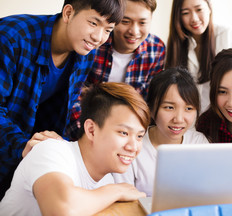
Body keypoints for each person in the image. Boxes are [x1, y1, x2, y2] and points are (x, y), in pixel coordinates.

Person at [0, 0, 124, 199]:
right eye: (94, 23)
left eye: (108, 29)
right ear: (68, 13)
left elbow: (65, 109)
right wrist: (22, 145)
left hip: (27, 161)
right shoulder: (11, 38)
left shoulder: (86, 52)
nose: (98, 38)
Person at [0, 82, 150, 215]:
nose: (133, 147)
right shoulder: (52, 151)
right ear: (91, 130)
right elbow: (61, 211)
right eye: (124, 133)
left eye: (139, 136)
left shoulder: (106, 181)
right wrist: (118, 190)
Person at [67, 0, 165, 139]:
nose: (134, 31)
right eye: (125, 21)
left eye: (142, 22)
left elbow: (150, 102)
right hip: (86, 128)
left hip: (130, 131)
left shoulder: (156, 49)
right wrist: (86, 136)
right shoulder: (93, 43)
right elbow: (73, 97)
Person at [114, 67, 209, 196]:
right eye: (169, 107)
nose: (179, 119)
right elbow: (122, 198)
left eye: (188, 108)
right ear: (152, 109)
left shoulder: (199, 143)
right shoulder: (131, 145)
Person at [166, 0, 232, 113]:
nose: (194, 18)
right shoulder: (174, 46)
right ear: (178, 16)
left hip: (222, 114)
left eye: (199, 9)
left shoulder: (225, 36)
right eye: (185, 13)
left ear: (209, 7)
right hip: (188, 120)